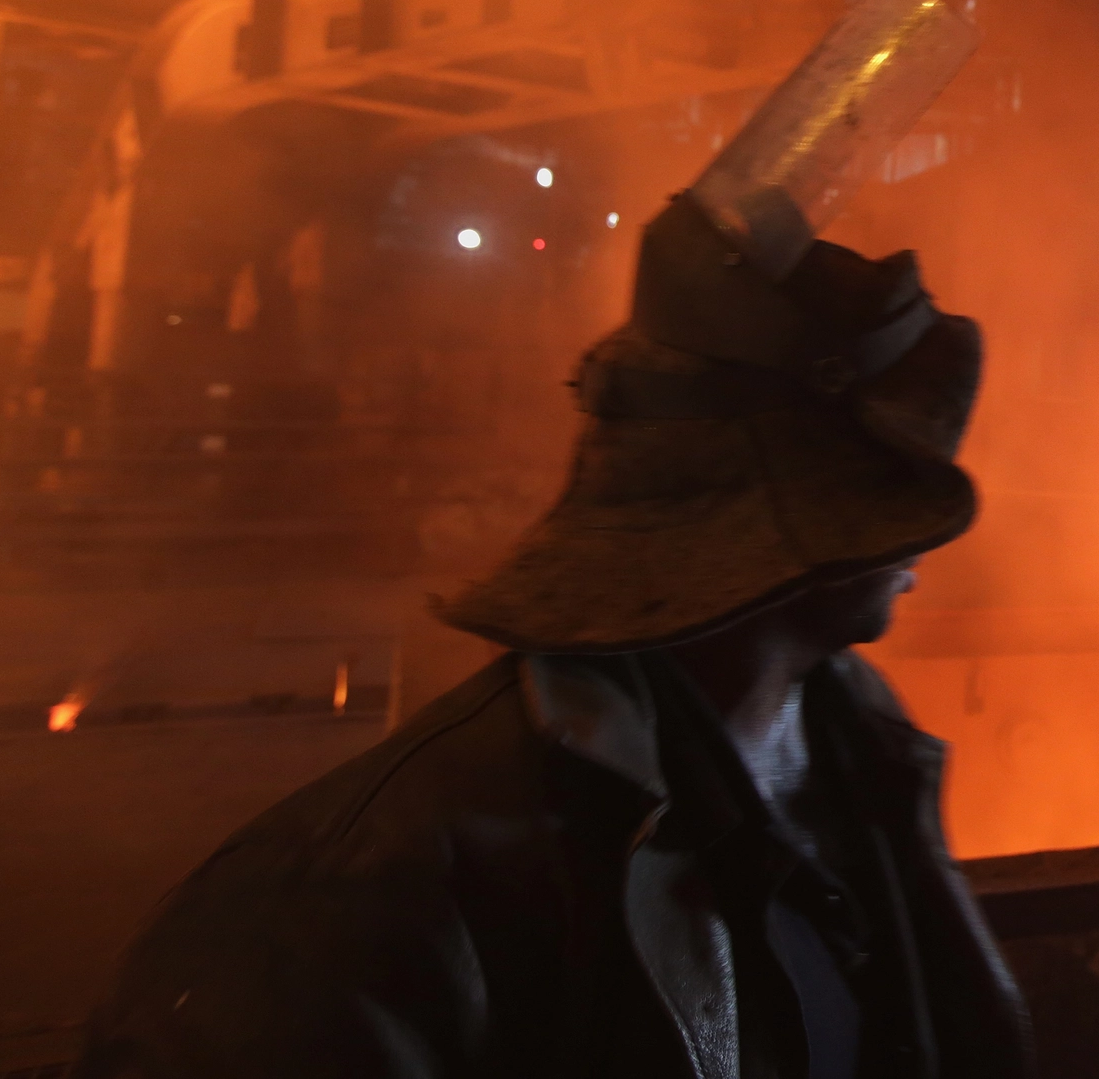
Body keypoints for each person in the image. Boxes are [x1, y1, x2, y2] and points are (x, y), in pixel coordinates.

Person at [77, 195, 1031, 1079]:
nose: (922, 530)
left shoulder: (859, 751)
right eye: (890, 480)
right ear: (790, 513)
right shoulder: (336, 918)